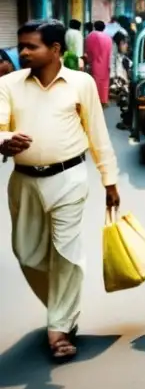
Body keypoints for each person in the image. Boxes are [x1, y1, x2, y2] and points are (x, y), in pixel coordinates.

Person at [0, 19, 120, 361]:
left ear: (55, 50)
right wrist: (4, 140)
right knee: (27, 254)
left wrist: (109, 179)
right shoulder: (8, 84)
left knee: (66, 253)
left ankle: (59, 328)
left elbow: (97, 133)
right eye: (21, 45)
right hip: (23, 180)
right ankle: (61, 307)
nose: (22, 52)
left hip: (69, 178)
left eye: (31, 46)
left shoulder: (80, 84)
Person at [84, 20, 113, 105]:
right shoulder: (108, 38)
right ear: (104, 28)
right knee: (104, 82)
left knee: (94, 82)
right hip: (106, 64)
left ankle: (94, 100)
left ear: (94, 27)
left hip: (94, 64)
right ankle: (103, 100)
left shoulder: (90, 36)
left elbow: (88, 50)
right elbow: (110, 53)